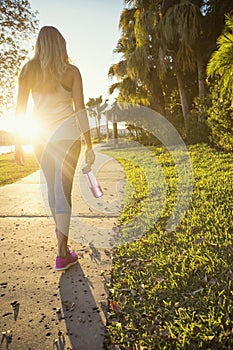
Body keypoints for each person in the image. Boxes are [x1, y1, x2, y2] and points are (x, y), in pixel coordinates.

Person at [14, 26, 95, 271]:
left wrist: (19, 142)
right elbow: (80, 110)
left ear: (39, 45)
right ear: (62, 44)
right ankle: (62, 252)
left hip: (41, 140)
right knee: (64, 191)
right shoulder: (71, 72)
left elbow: (20, 110)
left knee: (53, 189)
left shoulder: (28, 70)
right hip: (68, 139)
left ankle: (61, 241)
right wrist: (89, 143)